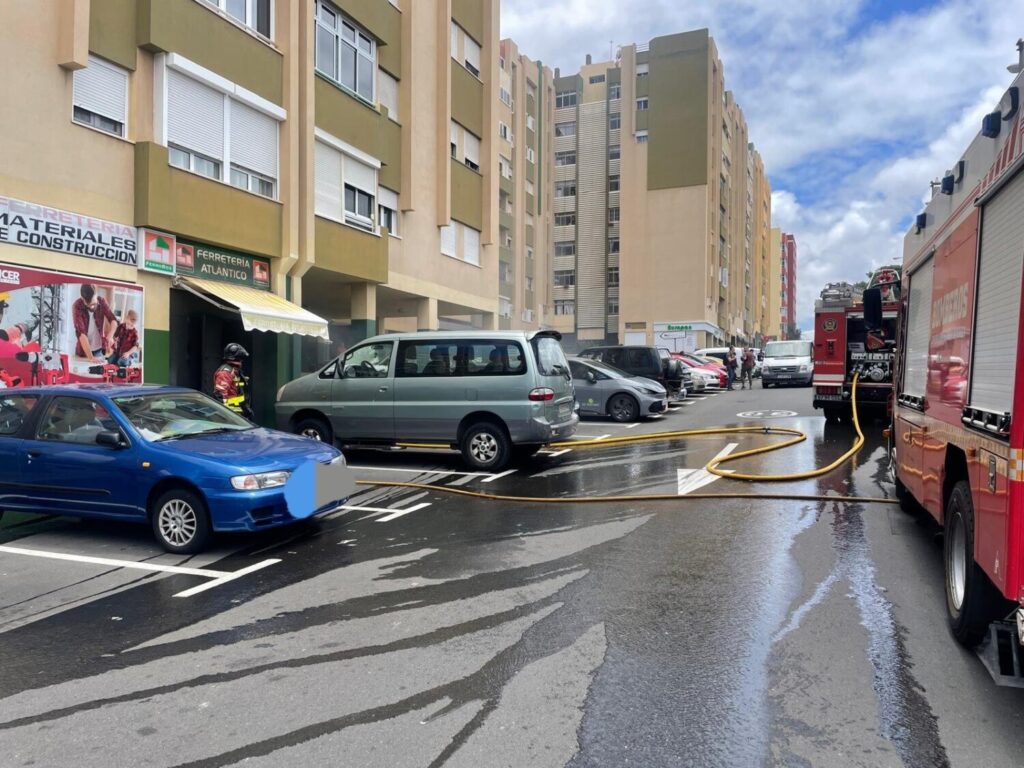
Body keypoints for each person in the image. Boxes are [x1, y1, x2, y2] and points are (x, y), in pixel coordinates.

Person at [73, 284, 118, 362]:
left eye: (94, 304)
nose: (92, 307)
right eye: (88, 305)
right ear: (82, 298)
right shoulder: (77, 306)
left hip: (98, 349)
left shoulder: (101, 301)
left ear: (96, 294)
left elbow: (113, 319)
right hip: (84, 352)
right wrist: (90, 357)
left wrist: (110, 335)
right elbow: (81, 333)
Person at [213, 343, 252, 418]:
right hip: (231, 414)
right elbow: (219, 395)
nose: (241, 361)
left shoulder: (235, 371)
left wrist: (245, 409)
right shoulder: (225, 372)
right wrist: (226, 415)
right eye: (240, 359)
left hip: (238, 413)